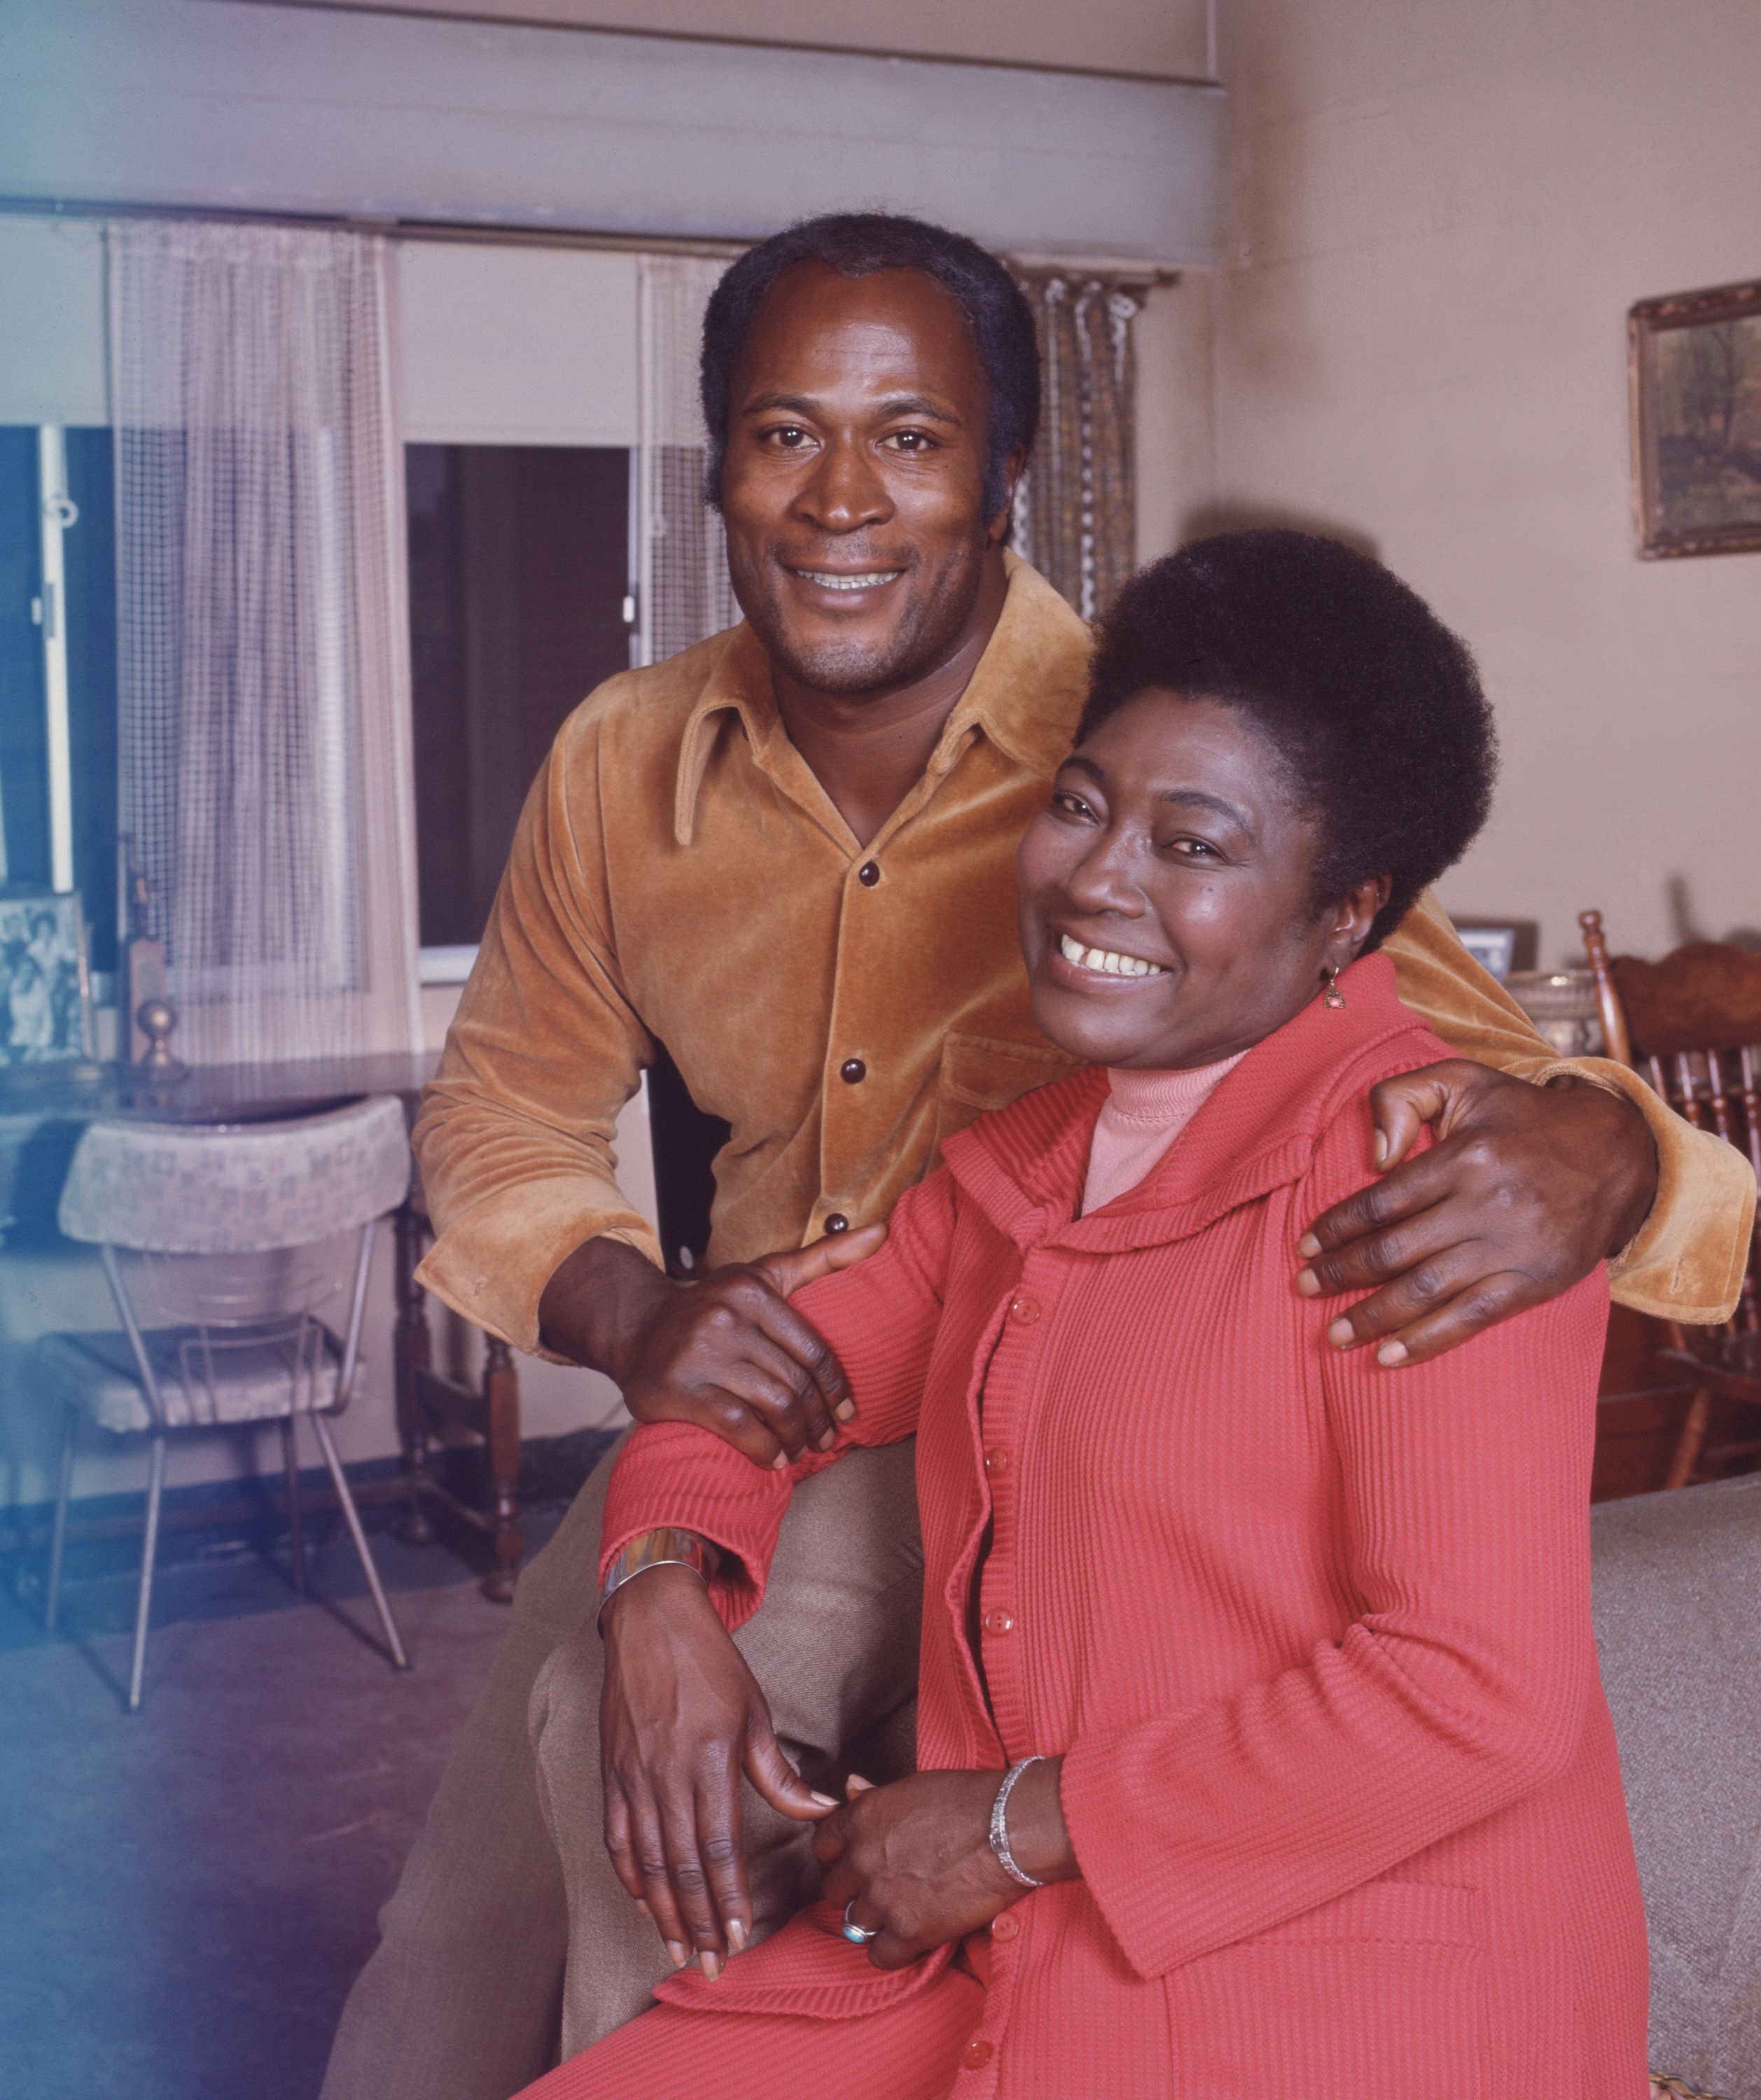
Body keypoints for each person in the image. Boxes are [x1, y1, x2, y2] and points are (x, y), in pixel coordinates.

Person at [320, 214, 1746, 2100]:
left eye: (909, 439)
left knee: (632, 1782)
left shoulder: (1176, 734)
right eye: (784, 433)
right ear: (720, 470)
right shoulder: (630, 757)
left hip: (1071, 1509)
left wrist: (1610, 1150)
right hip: (787, 1360)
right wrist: (641, 1348)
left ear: (1003, 479)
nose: (842, 499)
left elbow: (1444, 1073)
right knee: (446, 1940)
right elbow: (506, 1113)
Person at [524, 529, 1647, 2099]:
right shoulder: (1023, 1166)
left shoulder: (1441, 1186)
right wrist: (656, 1592)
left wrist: (1005, 1828)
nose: (1094, 875)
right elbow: (746, 1373)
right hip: (1032, 1944)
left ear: (1347, 913)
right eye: (1079, 803)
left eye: (1193, 844)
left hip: (1342, 2000)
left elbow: (1477, 1696)